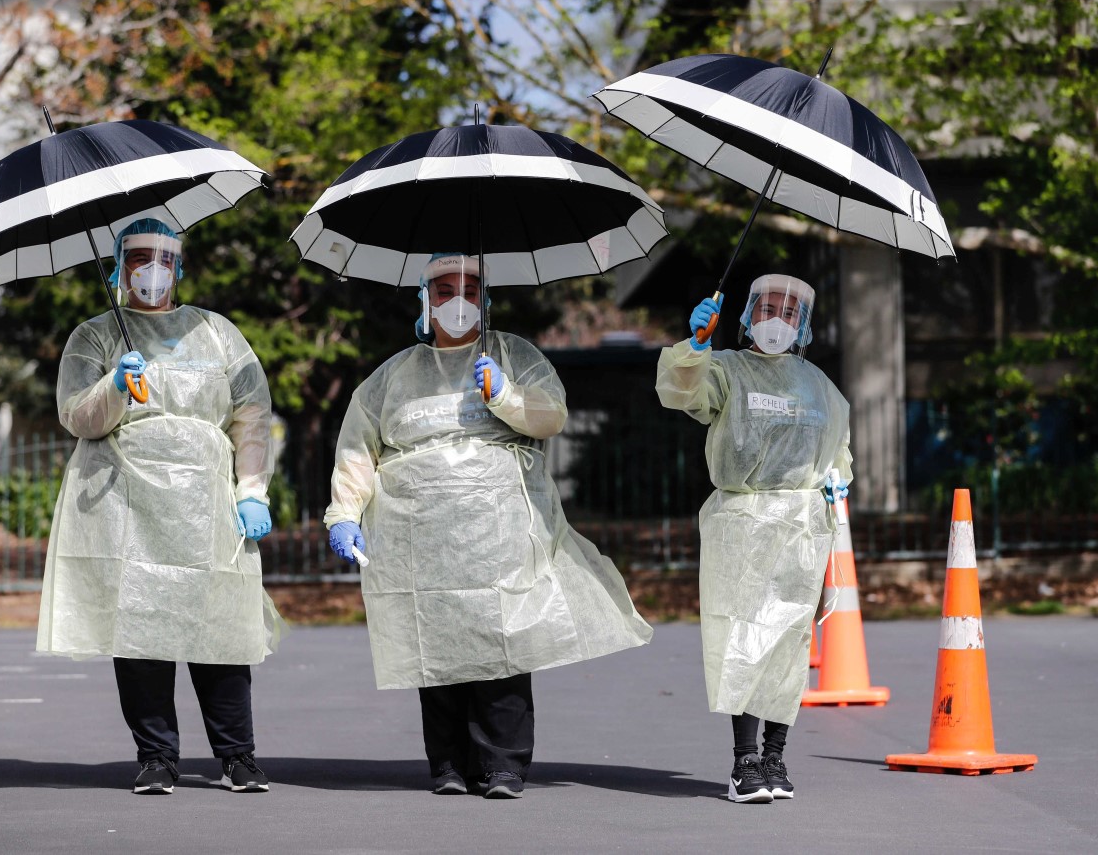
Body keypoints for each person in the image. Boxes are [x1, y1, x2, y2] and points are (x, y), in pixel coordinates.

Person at [324, 252, 652, 800]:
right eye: (445, 290)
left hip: (498, 537)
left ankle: (503, 764)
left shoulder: (513, 356)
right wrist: (344, 513)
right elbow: (359, 450)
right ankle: (448, 763)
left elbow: (552, 417)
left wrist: (505, 394)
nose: (458, 302)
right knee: (437, 649)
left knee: (503, 645)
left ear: (488, 301)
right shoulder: (390, 378)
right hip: (420, 541)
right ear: (424, 303)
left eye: (470, 290)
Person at [37, 217, 286, 795]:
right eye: (139, 258)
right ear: (117, 266)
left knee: (219, 629)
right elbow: (77, 416)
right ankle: (156, 756)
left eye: (164, 258)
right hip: (126, 504)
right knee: (141, 631)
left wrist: (252, 490)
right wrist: (114, 387)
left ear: (180, 266)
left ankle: (238, 756)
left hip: (206, 504)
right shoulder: (95, 337)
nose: (152, 270)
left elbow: (250, 413)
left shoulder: (218, 332)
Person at [655, 273, 852, 804]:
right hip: (741, 523)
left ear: (804, 325)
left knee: (788, 642)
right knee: (745, 638)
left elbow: (838, 454)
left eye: (789, 313)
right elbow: (679, 393)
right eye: (766, 308)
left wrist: (838, 481)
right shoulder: (727, 370)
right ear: (746, 316)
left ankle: (775, 757)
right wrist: (695, 346)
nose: (776, 320)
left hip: (801, 529)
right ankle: (744, 762)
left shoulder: (823, 390)